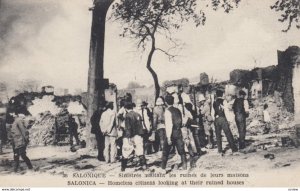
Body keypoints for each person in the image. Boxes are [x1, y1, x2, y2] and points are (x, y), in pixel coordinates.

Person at [162, 95, 188, 171]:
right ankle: (184, 166)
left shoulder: (167, 111)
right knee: (181, 150)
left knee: (165, 151)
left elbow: (169, 125)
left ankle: (163, 169)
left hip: (172, 133)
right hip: (178, 132)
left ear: (165, 103)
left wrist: (169, 137)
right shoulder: (178, 110)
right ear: (173, 101)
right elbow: (182, 122)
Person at [121, 102, 147, 171]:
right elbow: (141, 126)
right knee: (140, 151)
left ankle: (123, 168)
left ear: (126, 108)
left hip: (130, 136)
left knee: (126, 152)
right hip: (139, 136)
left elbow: (128, 128)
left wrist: (130, 137)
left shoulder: (127, 116)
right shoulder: (138, 114)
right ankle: (144, 167)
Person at [213, 90, 238, 155]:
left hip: (216, 119)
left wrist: (214, 119)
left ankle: (220, 151)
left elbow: (212, 112)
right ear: (222, 94)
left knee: (218, 135)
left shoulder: (214, 102)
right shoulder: (224, 101)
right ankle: (234, 149)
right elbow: (226, 111)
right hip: (223, 118)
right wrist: (229, 120)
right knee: (228, 133)